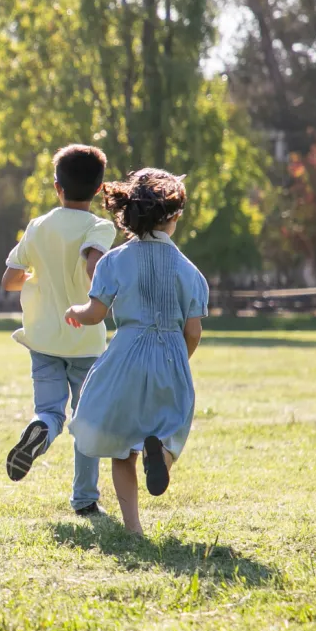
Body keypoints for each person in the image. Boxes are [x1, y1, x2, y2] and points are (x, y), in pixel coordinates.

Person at [64, 168, 209, 535]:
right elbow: (194, 330)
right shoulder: (190, 271)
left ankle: (134, 529)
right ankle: (160, 455)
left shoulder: (113, 261)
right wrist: (178, 359)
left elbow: (95, 314)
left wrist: (75, 312)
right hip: (171, 356)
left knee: (120, 447)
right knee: (170, 429)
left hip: (126, 355)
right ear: (173, 217)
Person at [1, 145, 116, 516]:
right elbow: (93, 264)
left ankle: (39, 430)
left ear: (57, 187)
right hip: (84, 338)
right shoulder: (100, 226)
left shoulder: (38, 225)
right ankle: (85, 499)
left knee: (50, 411)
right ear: (99, 190)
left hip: (43, 338)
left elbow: (10, 280)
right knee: (87, 420)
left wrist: (40, 276)